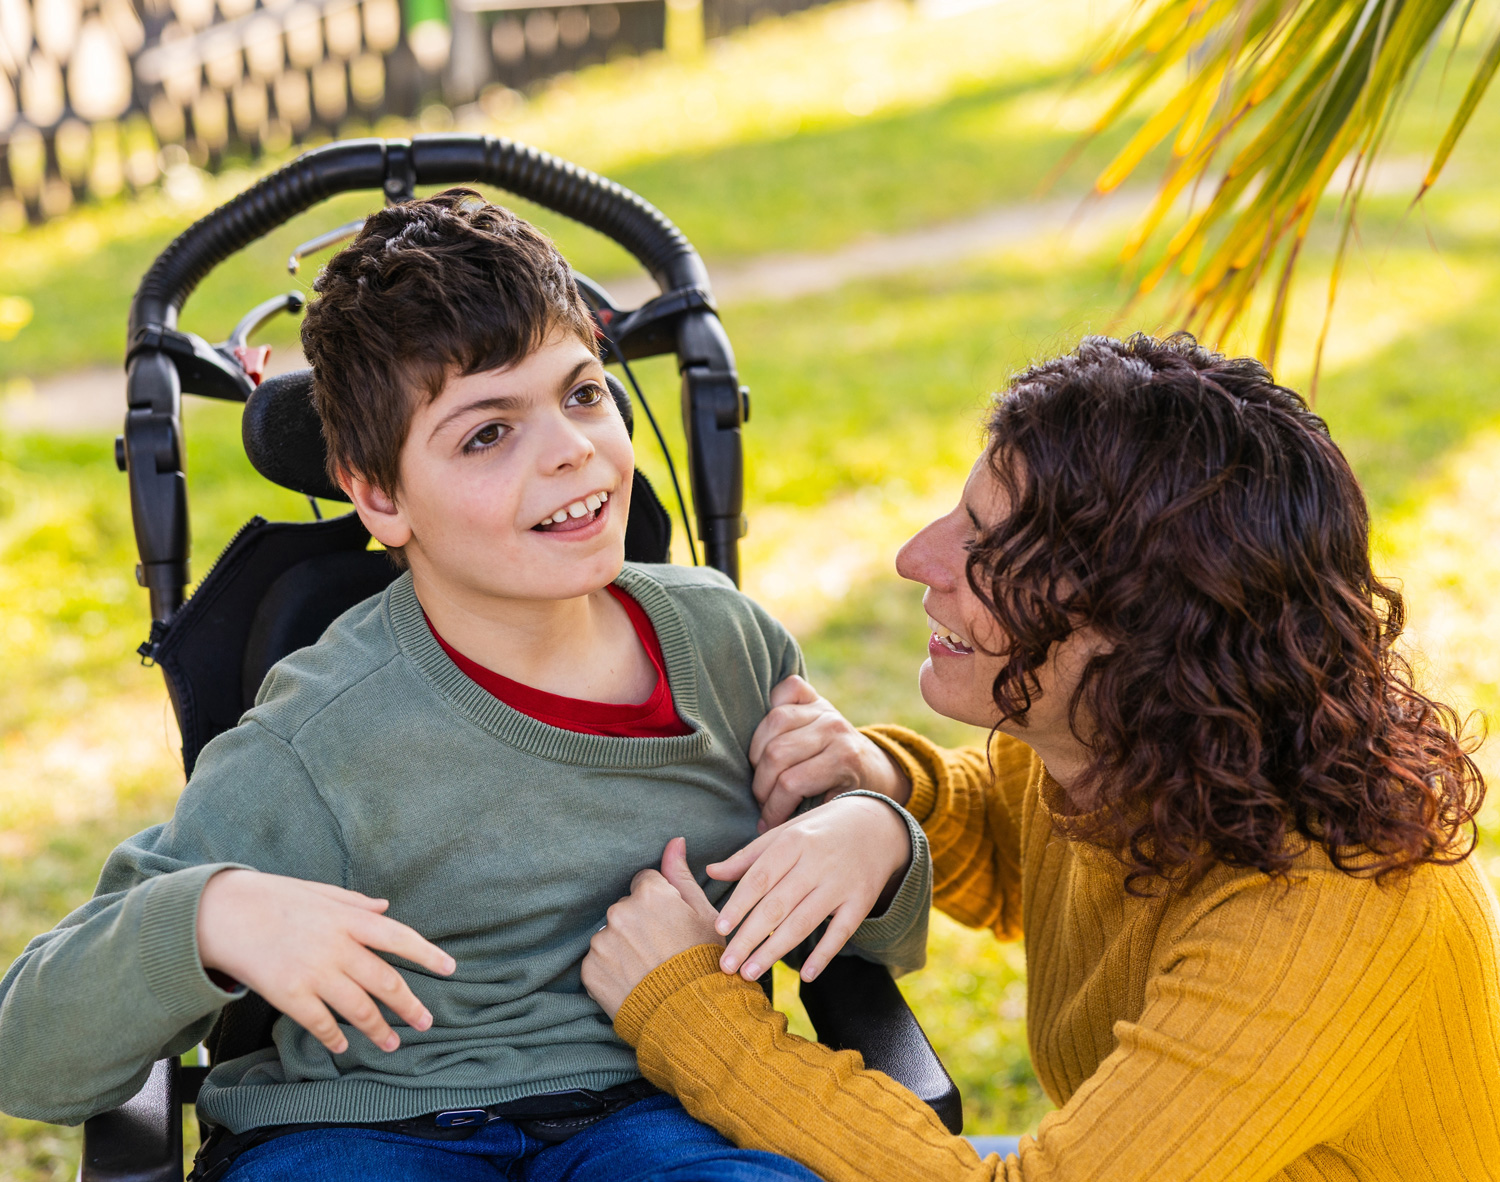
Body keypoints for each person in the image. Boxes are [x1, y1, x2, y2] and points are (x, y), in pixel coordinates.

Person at [0, 191, 933, 1182]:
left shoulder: (726, 646)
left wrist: (871, 834)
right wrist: (212, 918)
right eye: (488, 433)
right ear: (377, 493)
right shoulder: (319, 735)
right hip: (362, 1131)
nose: (571, 447)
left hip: (660, 1106)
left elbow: (879, 934)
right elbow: (30, 1052)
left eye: (581, 394)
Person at [581, 333, 1500, 1181]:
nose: (915, 559)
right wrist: (883, 791)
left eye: (987, 547)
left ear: (1145, 634)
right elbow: (1023, 837)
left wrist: (688, 1012)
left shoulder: (1325, 919)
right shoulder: (1149, 750)